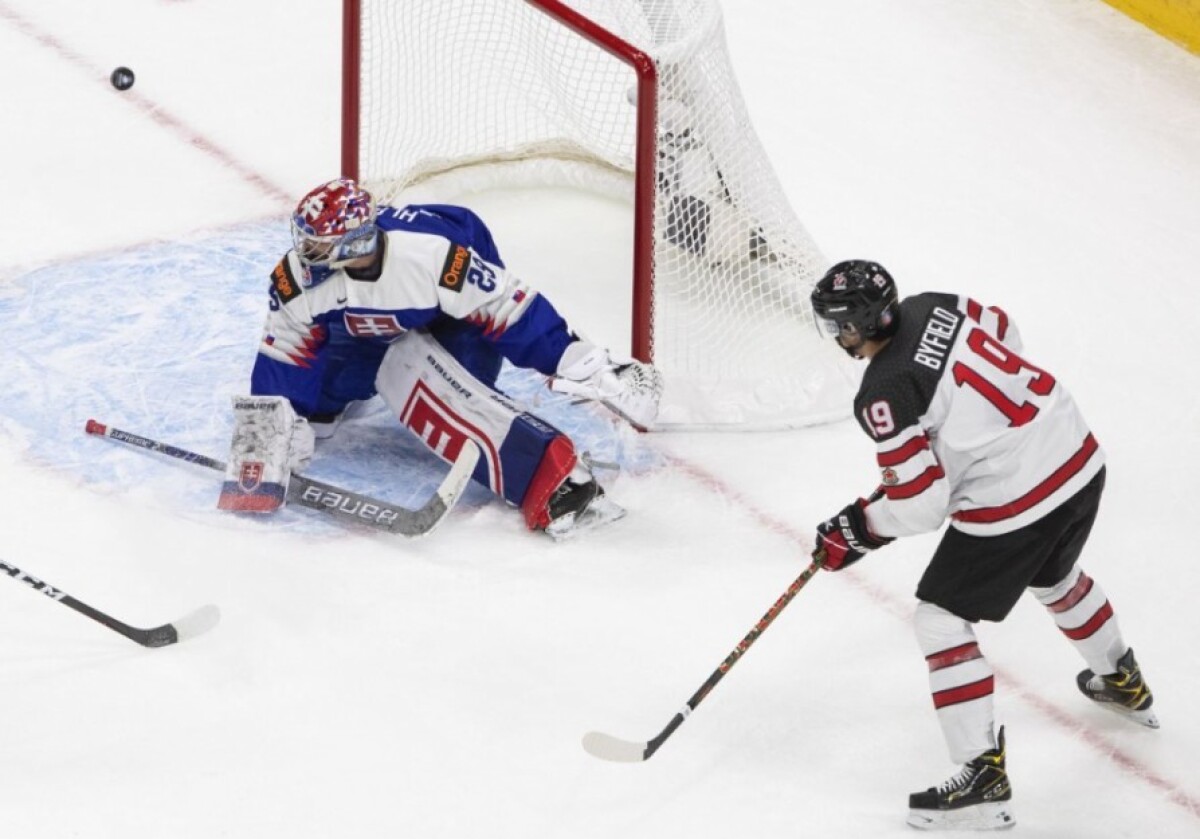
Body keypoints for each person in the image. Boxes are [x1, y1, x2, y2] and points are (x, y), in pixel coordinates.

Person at [808, 260, 1156, 831]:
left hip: (1020, 492)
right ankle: (1122, 678)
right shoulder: (933, 303)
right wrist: (966, 434)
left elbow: (921, 507)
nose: (838, 337)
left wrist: (857, 529)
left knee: (940, 617)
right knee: (1053, 576)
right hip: (1075, 451)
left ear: (861, 324)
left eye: (840, 326)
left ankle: (980, 775)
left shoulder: (885, 390)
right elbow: (1004, 329)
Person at [223, 177, 662, 538]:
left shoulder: (432, 256)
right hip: (369, 324)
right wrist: (276, 424)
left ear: (355, 244)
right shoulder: (299, 278)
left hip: (454, 318)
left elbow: (505, 308)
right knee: (322, 400)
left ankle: (557, 482)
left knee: (446, 389)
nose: (306, 254)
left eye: (320, 245)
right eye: (307, 241)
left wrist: (578, 360)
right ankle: (341, 392)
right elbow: (287, 346)